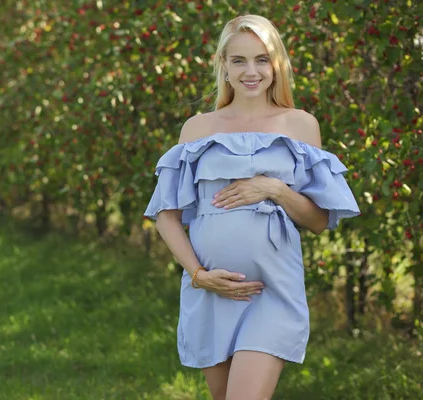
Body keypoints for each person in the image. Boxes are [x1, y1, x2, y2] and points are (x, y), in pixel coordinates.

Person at [143, 14, 360, 400]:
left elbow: (319, 220)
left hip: (272, 289)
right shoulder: (197, 128)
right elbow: (166, 216)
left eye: (262, 59)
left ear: (276, 65)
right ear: (223, 66)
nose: (251, 71)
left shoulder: (299, 125)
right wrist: (198, 275)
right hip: (211, 289)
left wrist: (274, 188)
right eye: (239, 60)